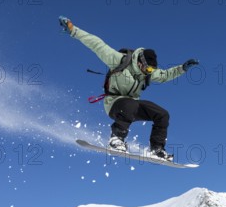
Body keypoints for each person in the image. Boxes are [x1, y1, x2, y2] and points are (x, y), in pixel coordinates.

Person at [59, 16, 199, 161]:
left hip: (131, 106)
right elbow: (97, 44)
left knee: (162, 114)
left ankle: (157, 149)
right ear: (140, 62)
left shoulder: (146, 73)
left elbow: (165, 75)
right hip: (114, 104)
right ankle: (116, 139)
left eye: (152, 70)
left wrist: (182, 68)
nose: (149, 72)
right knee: (130, 103)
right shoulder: (119, 60)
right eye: (148, 68)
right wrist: (73, 30)